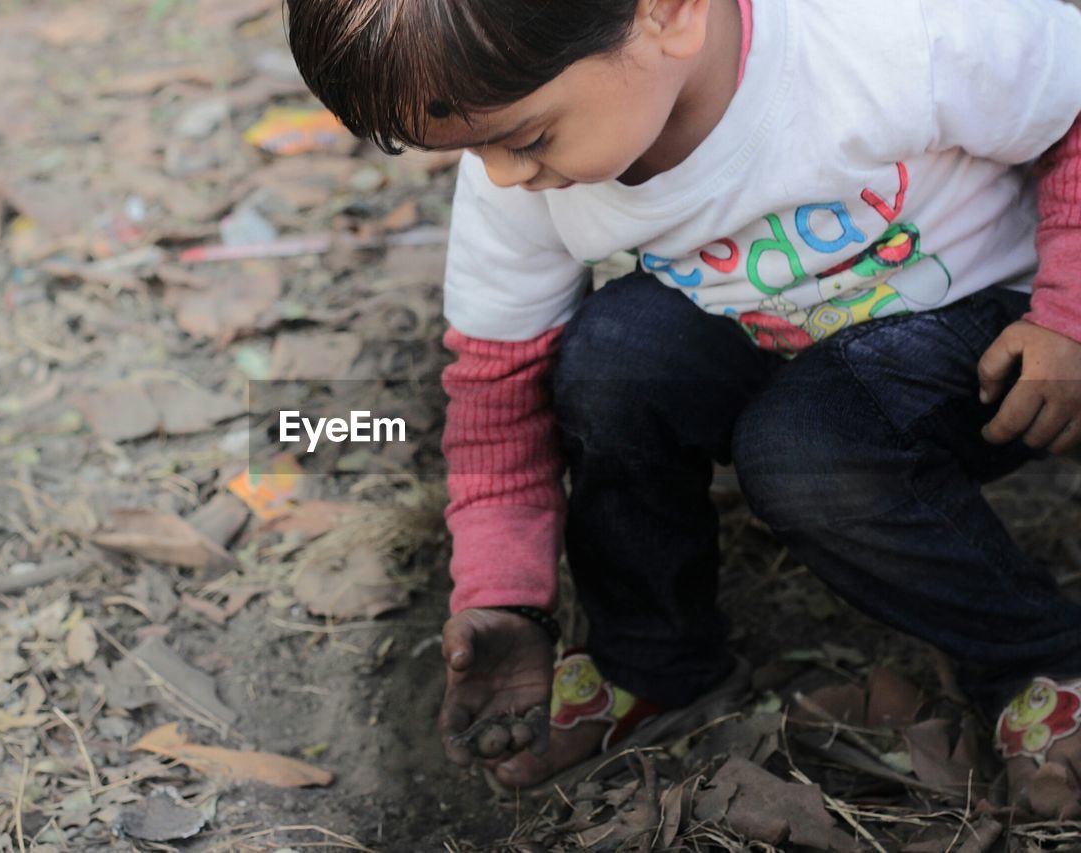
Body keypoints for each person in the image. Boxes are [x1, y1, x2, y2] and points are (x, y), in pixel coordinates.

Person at [285, 0, 1081, 811]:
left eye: (524, 139)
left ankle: (1039, 658)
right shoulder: (523, 154)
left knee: (804, 449)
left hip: (999, 342)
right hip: (785, 334)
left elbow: (1074, 99)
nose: (502, 175)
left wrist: (1069, 317)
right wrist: (500, 594)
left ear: (668, 14)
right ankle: (652, 659)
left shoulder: (883, 35)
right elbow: (496, 390)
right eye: (472, 148)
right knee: (613, 358)